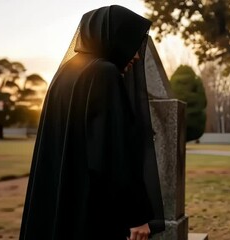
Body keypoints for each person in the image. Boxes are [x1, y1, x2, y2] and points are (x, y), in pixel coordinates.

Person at [19, 5, 165, 240]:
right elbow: (113, 152)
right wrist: (137, 215)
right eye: (132, 44)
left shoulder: (65, 73)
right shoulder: (103, 73)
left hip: (62, 206)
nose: (136, 56)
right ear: (114, 37)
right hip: (90, 215)